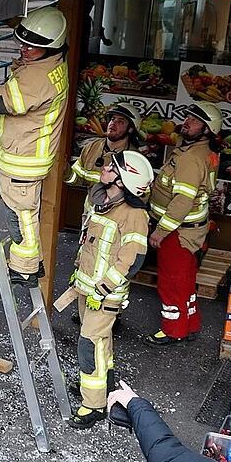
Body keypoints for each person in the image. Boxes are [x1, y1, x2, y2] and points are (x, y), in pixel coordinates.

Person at [0, 5, 70, 287]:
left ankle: (24, 269)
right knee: (23, 215)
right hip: (28, 156)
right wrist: (4, 14)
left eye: (31, 47)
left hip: (22, 162)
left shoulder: (36, 79)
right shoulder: (52, 59)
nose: (24, 48)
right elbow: (31, 31)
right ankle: (24, 262)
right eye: (23, 41)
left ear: (48, 48)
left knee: (21, 218)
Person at [57, 151, 153, 429]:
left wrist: (104, 287)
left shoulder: (134, 215)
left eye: (113, 167)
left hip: (104, 295)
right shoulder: (102, 203)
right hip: (87, 289)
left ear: (124, 181)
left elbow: (131, 259)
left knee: (89, 345)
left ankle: (94, 404)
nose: (105, 168)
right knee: (101, 344)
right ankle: (104, 387)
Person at [145, 101, 222, 346]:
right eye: (187, 117)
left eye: (195, 121)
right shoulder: (197, 151)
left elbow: (181, 201)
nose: (187, 122)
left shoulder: (190, 159)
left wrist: (161, 230)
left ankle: (173, 329)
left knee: (171, 282)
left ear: (207, 130)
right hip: (191, 231)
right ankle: (190, 323)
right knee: (186, 280)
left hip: (178, 233)